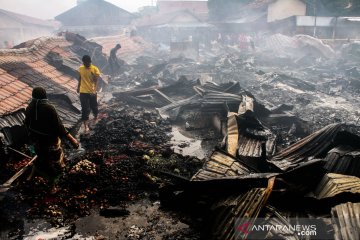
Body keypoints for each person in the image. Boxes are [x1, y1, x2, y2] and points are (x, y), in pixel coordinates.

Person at [24, 87, 79, 193]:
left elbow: (27, 124)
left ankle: (31, 176)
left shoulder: (29, 107)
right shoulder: (49, 108)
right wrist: (72, 140)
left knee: (41, 158)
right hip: (50, 142)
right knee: (53, 163)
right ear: (44, 95)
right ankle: (52, 186)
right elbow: (59, 127)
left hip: (37, 141)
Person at [77, 55, 101, 131]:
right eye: (84, 63)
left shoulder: (95, 69)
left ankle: (96, 116)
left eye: (87, 63)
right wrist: (78, 87)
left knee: (94, 106)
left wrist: (95, 90)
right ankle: (85, 126)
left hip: (92, 92)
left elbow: (96, 81)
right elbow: (80, 78)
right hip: (83, 91)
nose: (86, 64)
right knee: (85, 108)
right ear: (83, 62)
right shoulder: (81, 68)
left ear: (90, 62)